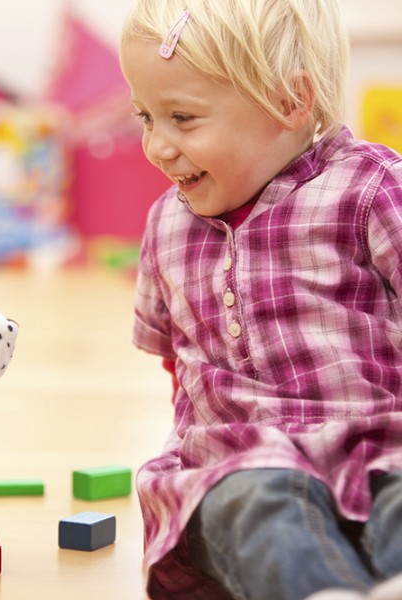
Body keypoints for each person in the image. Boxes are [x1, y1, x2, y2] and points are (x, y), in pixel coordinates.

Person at [119, 1, 402, 599]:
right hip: (240, 463)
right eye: (146, 116)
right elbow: (178, 368)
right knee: (255, 509)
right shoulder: (165, 227)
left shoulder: (370, 189)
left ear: (289, 102)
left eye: (183, 118)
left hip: (383, 449)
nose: (156, 146)